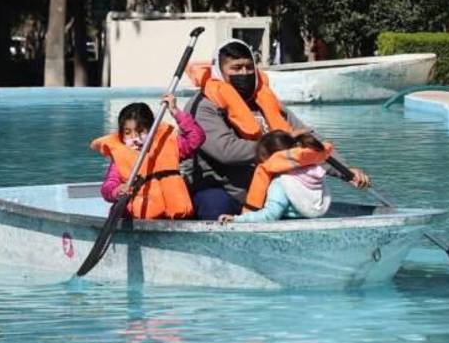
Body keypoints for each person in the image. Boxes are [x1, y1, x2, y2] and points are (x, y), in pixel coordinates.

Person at [184, 40, 369, 220]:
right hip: (222, 189)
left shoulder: (265, 101)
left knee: (300, 198)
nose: (245, 73)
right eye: (236, 68)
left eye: (249, 67)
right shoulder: (203, 106)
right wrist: (279, 144)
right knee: (213, 204)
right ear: (219, 71)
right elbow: (226, 150)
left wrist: (346, 171)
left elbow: (306, 137)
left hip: (271, 188)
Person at [93, 94, 204, 219]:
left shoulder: (166, 146)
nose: (134, 138)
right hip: (135, 220)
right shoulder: (120, 158)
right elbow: (108, 187)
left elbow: (196, 138)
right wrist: (117, 191)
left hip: (171, 219)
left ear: (152, 130)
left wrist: (175, 111)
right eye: (128, 133)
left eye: (140, 131)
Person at [219, 131, 333, 224]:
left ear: (269, 159)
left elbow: (271, 215)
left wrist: (237, 219)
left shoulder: (280, 183)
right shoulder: (316, 175)